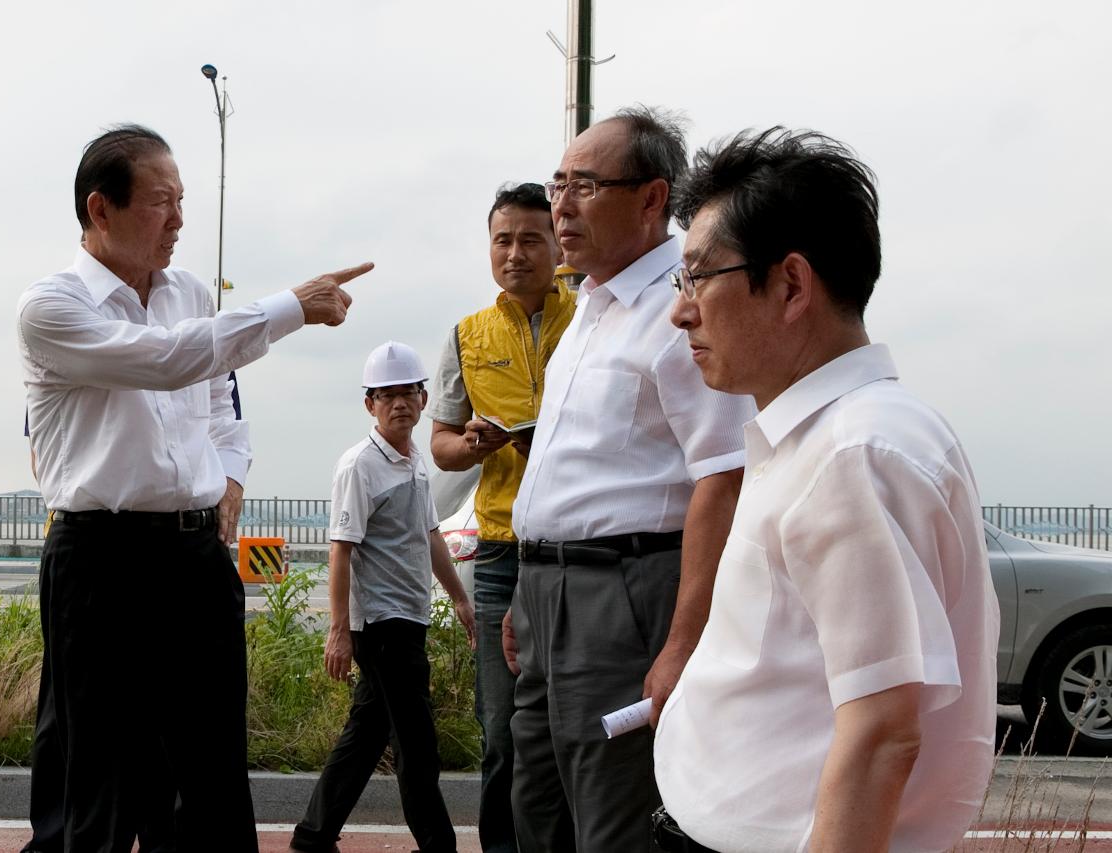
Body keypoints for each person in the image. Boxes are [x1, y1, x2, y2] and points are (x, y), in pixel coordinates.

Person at [17, 124, 371, 852]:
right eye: (160, 202)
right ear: (100, 209)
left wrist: (230, 478)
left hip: (195, 558)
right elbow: (166, 361)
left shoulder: (189, 292)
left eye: (182, 201)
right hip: (101, 558)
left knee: (210, 769)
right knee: (102, 774)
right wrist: (290, 306)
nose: (178, 220)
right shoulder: (52, 309)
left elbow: (219, 404)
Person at [654, 128, 999, 852]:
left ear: (790, 285)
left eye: (695, 277)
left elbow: (882, 736)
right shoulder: (827, 436)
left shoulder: (855, 453)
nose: (680, 310)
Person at [504, 107, 756, 852]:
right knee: (535, 807)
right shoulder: (589, 308)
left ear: (651, 199)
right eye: (558, 183)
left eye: (584, 185)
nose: (561, 206)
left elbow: (725, 476)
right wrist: (530, 587)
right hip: (548, 595)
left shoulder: (680, 309)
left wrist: (682, 642)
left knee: (613, 816)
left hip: (624, 593)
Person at [19, 372, 241, 853]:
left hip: (184, 542)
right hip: (95, 541)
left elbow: (226, 414)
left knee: (186, 736)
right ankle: (54, 841)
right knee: (77, 732)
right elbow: (42, 443)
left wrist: (230, 480)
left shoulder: (194, 315)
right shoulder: (72, 314)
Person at [427, 181, 575, 853]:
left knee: (578, 723)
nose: (515, 253)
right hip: (500, 554)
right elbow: (443, 445)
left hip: (581, 547)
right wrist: (474, 444)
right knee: (503, 730)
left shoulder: (591, 317)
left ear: (556, 245)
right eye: (503, 240)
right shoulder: (466, 335)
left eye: (530, 239)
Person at [289, 341, 476, 853]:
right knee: (417, 746)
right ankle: (440, 845)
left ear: (422, 398)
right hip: (382, 626)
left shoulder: (416, 460)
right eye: (387, 395)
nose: (400, 404)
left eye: (409, 393)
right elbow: (341, 551)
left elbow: (431, 535)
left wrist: (459, 598)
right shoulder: (359, 466)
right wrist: (339, 632)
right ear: (369, 403)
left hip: (409, 617)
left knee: (365, 738)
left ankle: (312, 838)